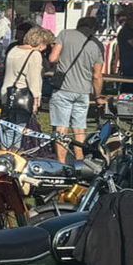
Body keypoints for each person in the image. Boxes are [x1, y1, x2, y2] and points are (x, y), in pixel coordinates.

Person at [50, 14, 106, 162]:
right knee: (79, 127)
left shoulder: (65, 34)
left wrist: (64, 60)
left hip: (63, 88)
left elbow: (52, 58)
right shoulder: (98, 45)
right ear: (94, 28)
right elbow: (97, 75)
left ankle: (61, 162)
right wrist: (98, 96)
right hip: (83, 91)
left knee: (61, 127)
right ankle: (80, 159)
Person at [0, 27, 50, 151]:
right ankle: (14, 155)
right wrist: (37, 100)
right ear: (40, 42)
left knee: (8, 128)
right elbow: (34, 80)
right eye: (45, 44)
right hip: (23, 96)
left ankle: (4, 153)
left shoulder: (14, 50)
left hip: (7, 93)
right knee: (19, 129)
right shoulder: (34, 55)